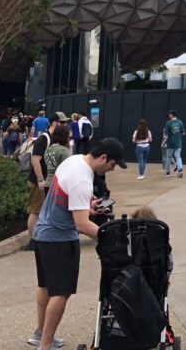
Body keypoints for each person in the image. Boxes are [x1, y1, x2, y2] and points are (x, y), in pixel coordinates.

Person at [28, 138, 126, 350]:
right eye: (113, 164)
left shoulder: (73, 161)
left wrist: (85, 205)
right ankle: (45, 345)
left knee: (45, 285)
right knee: (61, 293)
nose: (112, 169)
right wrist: (111, 238)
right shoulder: (83, 179)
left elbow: (64, 196)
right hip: (60, 239)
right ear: (103, 158)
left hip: (43, 235)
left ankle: (40, 333)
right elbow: (82, 225)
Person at [27, 114, 63, 241]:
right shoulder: (44, 139)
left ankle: (38, 237)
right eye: (61, 122)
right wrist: (40, 180)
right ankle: (32, 240)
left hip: (46, 181)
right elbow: (35, 160)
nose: (63, 125)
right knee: (35, 211)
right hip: (38, 181)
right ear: (54, 123)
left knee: (42, 210)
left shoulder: (52, 138)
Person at [163, 110, 185, 177]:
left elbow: (166, 135)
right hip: (178, 143)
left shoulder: (168, 123)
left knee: (169, 157)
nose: (169, 115)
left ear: (172, 115)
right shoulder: (180, 122)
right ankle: (180, 170)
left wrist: (164, 142)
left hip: (170, 143)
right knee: (178, 157)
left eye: (169, 114)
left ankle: (167, 172)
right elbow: (183, 133)